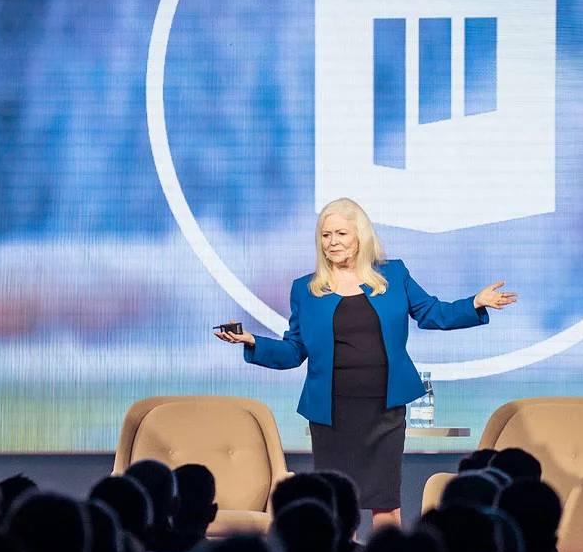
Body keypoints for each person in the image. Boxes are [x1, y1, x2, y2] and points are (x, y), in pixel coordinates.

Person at [216, 198, 515, 530]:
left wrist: (474, 303)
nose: (333, 242)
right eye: (325, 235)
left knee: (385, 501)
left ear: (360, 235)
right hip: (331, 413)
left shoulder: (394, 274)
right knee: (335, 502)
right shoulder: (306, 289)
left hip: (383, 412)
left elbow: (432, 313)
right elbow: (294, 350)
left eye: (341, 233)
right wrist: (254, 343)